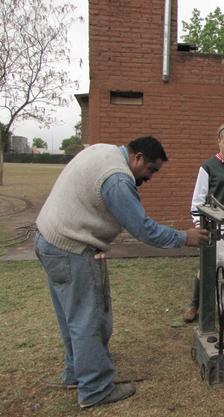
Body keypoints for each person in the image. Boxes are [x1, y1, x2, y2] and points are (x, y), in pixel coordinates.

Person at [34, 136, 208, 408]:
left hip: (48, 239)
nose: (150, 177)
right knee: (87, 319)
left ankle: (75, 373)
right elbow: (143, 229)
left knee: (72, 316)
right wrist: (184, 237)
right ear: (137, 158)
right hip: (71, 247)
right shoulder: (117, 178)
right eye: (151, 170)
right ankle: (95, 389)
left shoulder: (103, 151)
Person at [183, 124, 224, 322]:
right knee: (207, 266)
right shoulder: (208, 167)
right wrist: (199, 224)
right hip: (212, 225)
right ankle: (195, 305)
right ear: (219, 142)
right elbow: (198, 199)